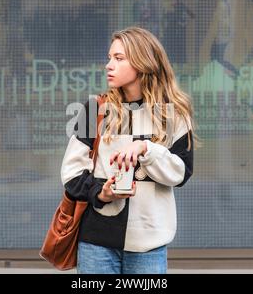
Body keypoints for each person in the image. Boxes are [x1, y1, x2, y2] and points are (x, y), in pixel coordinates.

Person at [60, 27, 197, 274]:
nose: (108, 65)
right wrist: (101, 193)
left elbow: (181, 173)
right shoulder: (95, 109)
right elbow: (71, 173)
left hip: (149, 245)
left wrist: (146, 149)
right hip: (96, 243)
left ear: (143, 61)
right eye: (109, 57)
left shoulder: (174, 113)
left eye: (119, 58)